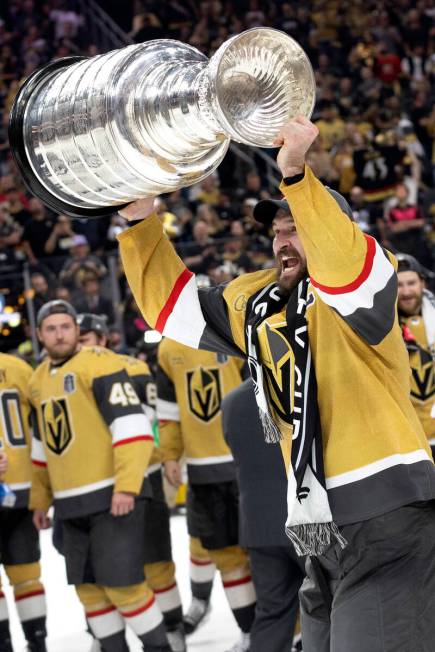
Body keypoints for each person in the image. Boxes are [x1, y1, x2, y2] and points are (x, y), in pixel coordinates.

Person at [117, 116, 435, 652]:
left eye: (297, 227)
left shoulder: (366, 281)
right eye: (278, 231)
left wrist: (296, 175)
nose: (283, 240)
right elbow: (171, 308)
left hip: (387, 521)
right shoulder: (256, 301)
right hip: (316, 530)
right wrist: (142, 221)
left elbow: (343, 265)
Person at [29, 300, 171, 652]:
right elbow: (40, 448)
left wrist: (126, 487)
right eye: (51, 328)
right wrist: (39, 500)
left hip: (113, 499)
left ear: (77, 330)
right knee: (89, 592)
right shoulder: (36, 381)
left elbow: (134, 430)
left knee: (125, 588)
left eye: (65, 326)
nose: (59, 334)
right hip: (69, 505)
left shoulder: (99, 366)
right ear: (39, 335)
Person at [77, 313, 186, 652]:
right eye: (78, 340)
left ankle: (172, 631)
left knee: (156, 564)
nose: (81, 345)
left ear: (103, 339)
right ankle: (103, 632)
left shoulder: (133, 368)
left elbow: (146, 423)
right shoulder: (68, 374)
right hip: (97, 485)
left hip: (143, 478)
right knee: (102, 570)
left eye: (86, 338)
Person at [156, 336, 256, 652]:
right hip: (203, 474)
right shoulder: (169, 348)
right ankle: (250, 629)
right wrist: (171, 455)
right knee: (224, 555)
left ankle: (288, 631)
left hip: (248, 464)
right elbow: (169, 415)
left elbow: (259, 395)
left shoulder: (232, 331)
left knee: (266, 553)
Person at [222, 379, 305, 652]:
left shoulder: (232, 402)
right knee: (327, 609)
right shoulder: (301, 390)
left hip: (259, 527)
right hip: (307, 522)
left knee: (272, 614)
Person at [0, 353, 47, 652]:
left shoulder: (18, 368)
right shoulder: (17, 367)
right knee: (28, 576)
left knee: (28, 574)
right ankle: (36, 643)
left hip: (20, 490)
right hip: (22, 487)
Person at [396, 254, 435, 459]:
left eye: (411, 283)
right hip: (408, 443)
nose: (406, 291)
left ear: (423, 283)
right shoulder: (381, 329)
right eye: (399, 285)